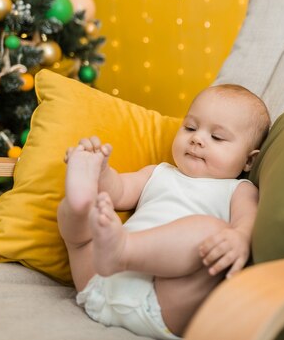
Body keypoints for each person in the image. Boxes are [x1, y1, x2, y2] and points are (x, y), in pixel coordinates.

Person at [58, 84, 271, 339]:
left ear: (249, 161)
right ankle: (82, 195)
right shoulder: (158, 172)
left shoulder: (238, 190)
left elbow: (247, 221)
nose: (197, 138)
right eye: (190, 127)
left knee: (212, 232)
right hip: (98, 279)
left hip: (163, 302)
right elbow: (118, 192)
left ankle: (123, 249)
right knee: (85, 209)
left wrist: (239, 237)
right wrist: (102, 173)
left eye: (217, 137)